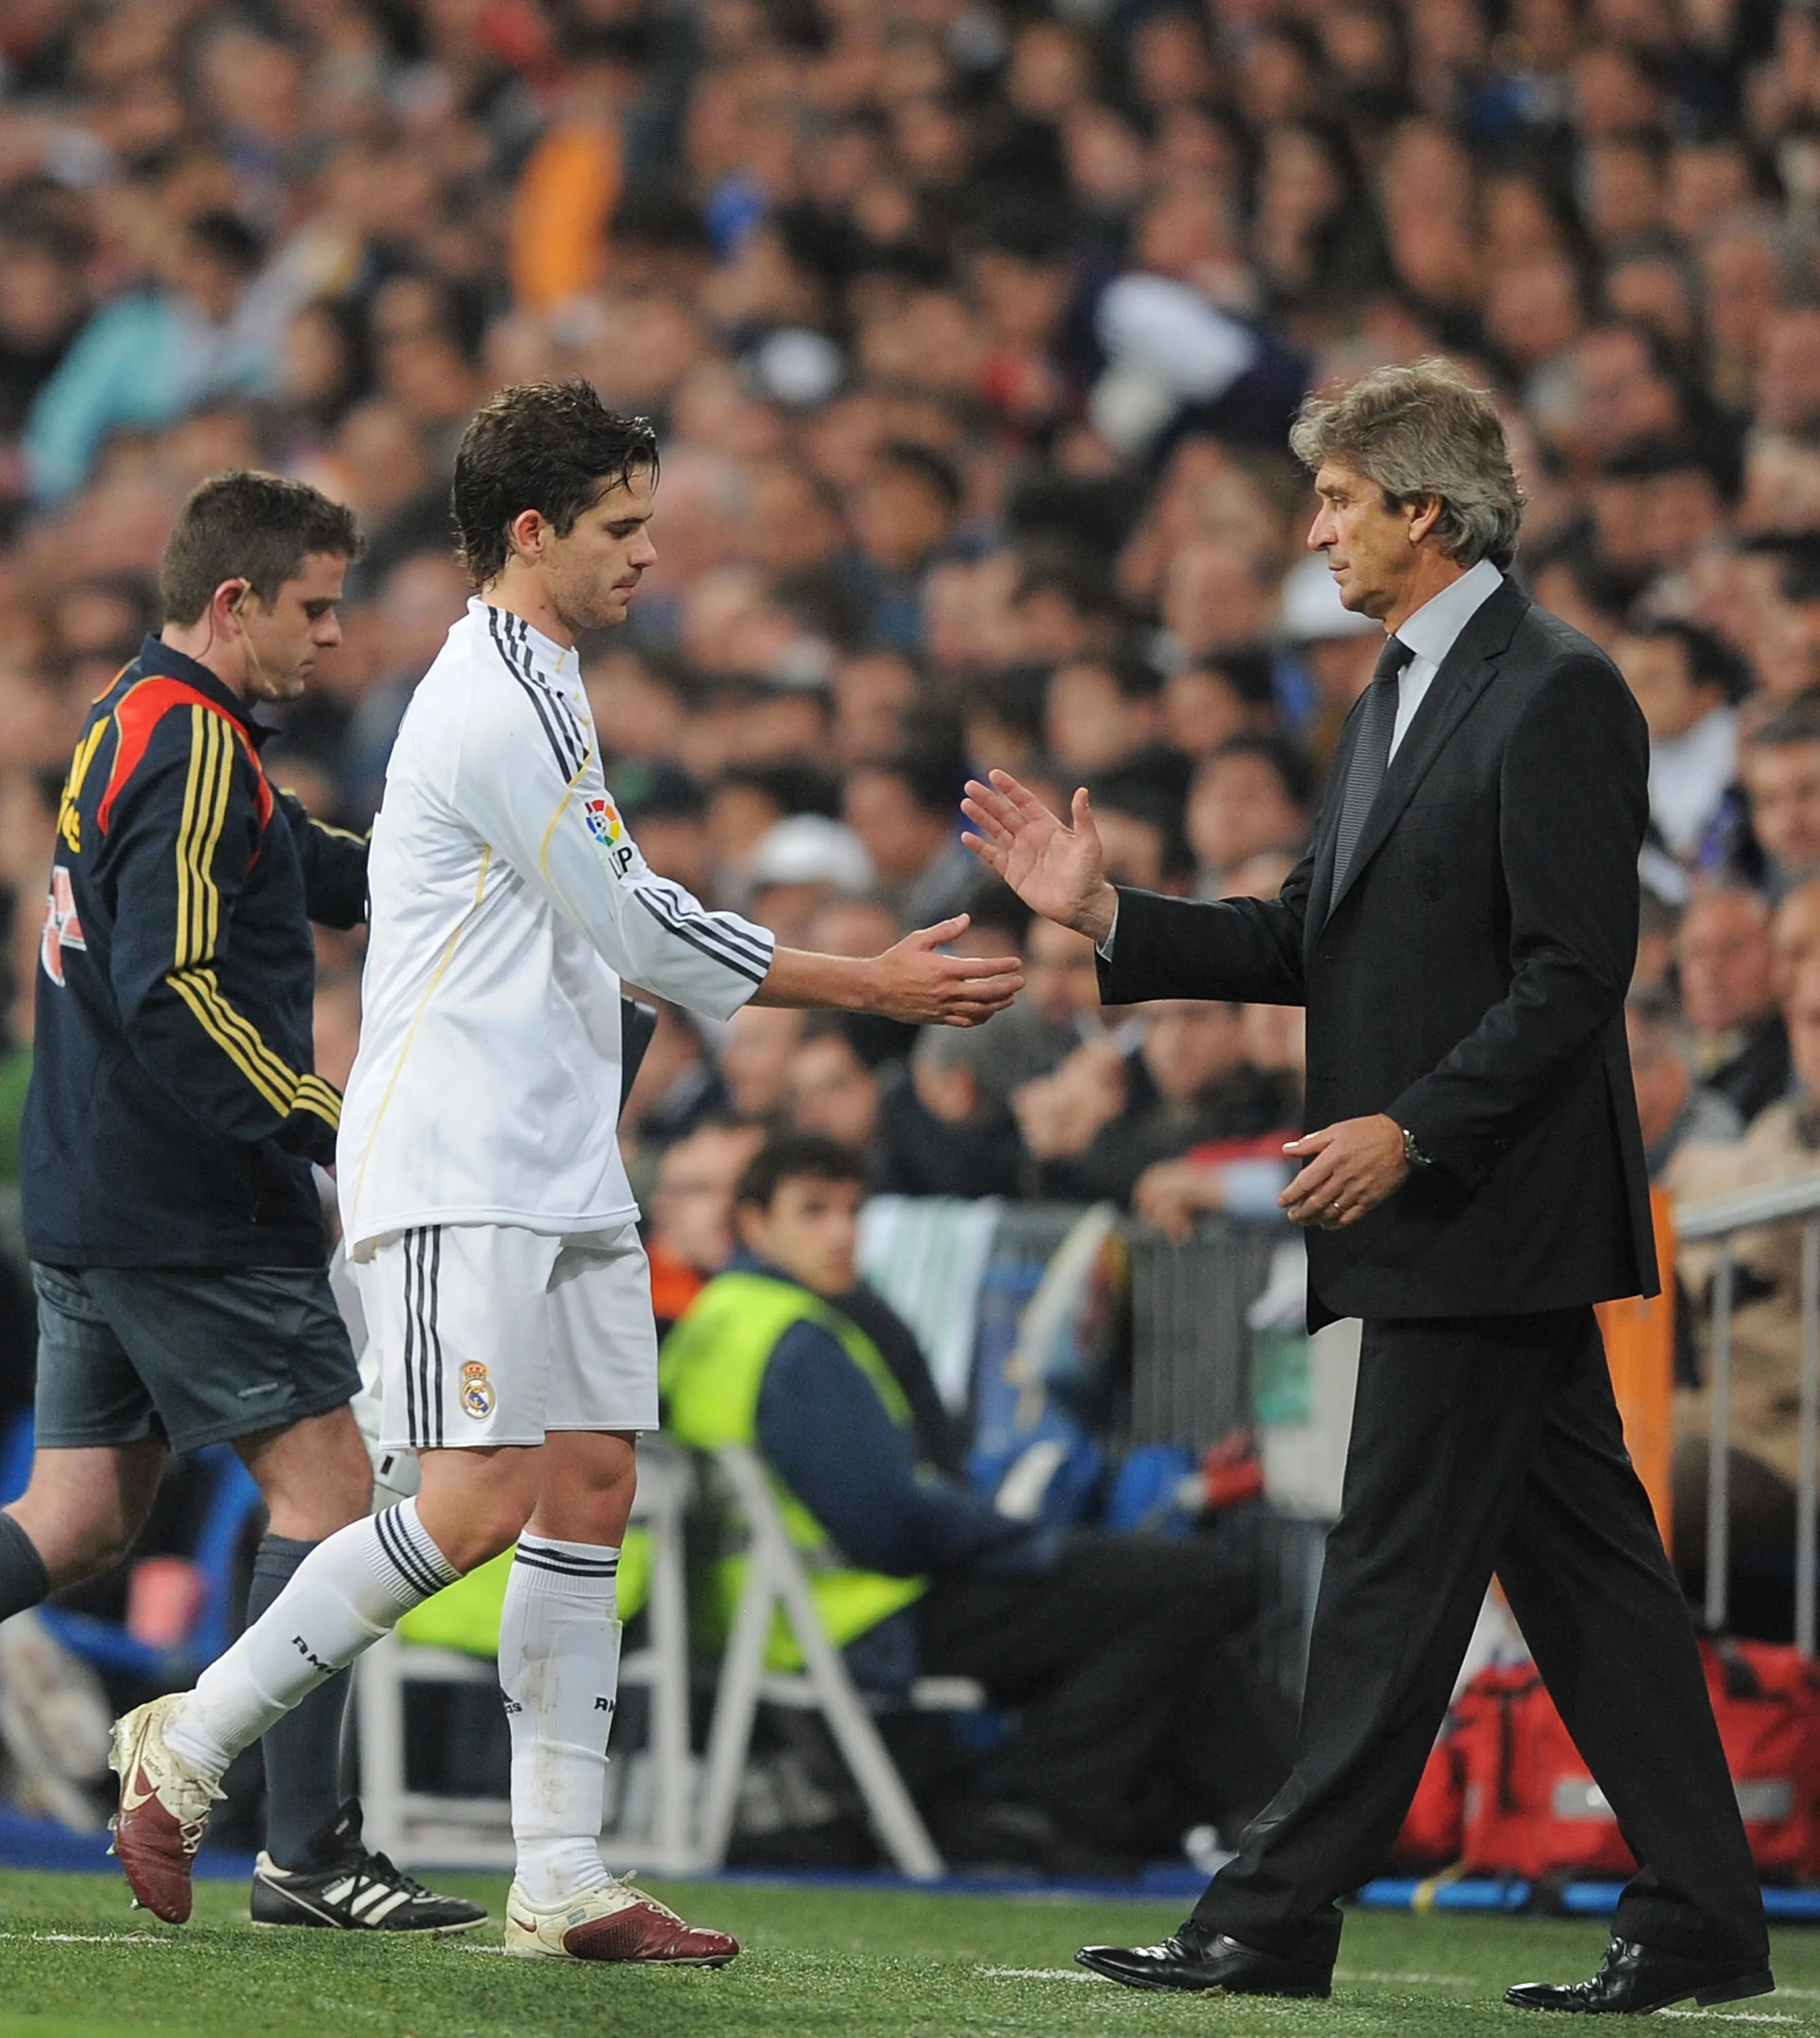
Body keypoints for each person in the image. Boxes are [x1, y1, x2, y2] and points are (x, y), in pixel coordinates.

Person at [102, 380, 1021, 1960]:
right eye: (622, 526)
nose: (648, 553)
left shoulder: (550, 680)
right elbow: (640, 923)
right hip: (461, 1155)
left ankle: (559, 1868)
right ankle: (193, 1738)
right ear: (534, 533)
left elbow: (606, 927)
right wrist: (862, 982)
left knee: (591, 1482)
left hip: (560, 1155)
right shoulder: (492, 698)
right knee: (464, 1501)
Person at [963, 360, 1770, 2014]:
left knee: (1393, 1571)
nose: (1314, 531)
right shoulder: (1389, 690)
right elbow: (1297, 937)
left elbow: (1570, 975)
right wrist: (1107, 912)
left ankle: (1269, 1911)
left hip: (1488, 1211)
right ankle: (1696, 1906)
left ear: (1424, 509)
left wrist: (1410, 1129)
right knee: (1590, 1590)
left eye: (1336, 501)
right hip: (1455, 1217)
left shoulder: (1556, 688)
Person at [3, 471, 482, 1933]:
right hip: (190, 1201)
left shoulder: (136, 719)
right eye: (315, 607)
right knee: (334, 1498)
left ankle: (300, 1839)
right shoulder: (196, 747)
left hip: (88, 1185)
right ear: (236, 603)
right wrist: (336, 1128)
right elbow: (177, 991)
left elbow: (286, 864)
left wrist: (451, 881)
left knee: (76, 1517)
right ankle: (306, 1848)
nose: (333, 637)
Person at [660, 1134, 1291, 1871]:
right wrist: (1017, 1537)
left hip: (775, 1621)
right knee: (1195, 1581)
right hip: (868, 1613)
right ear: (756, 1224)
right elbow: (890, 1527)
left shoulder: (716, 1322)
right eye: (814, 1212)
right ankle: (1041, 1795)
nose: (841, 1233)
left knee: (1173, 1633)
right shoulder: (796, 1340)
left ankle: (1227, 1815)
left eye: (852, 1211)